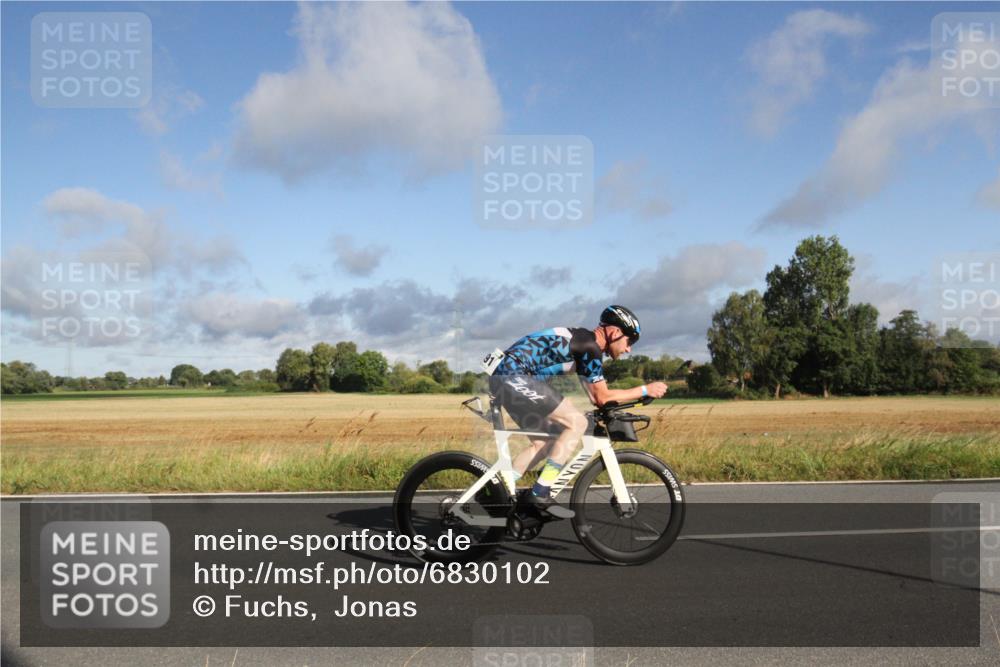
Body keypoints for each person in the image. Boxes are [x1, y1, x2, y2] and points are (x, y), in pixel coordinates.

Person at [487, 305, 668, 519]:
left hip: (508, 376)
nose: (629, 349)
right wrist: (645, 389)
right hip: (514, 376)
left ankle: (492, 491)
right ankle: (540, 492)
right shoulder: (590, 347)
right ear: (615, 332)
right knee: (577, 423)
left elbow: (595, 398)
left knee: (545, 443)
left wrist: (625, 401)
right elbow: (602, 397)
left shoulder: (586, 343)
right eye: (630, 341)